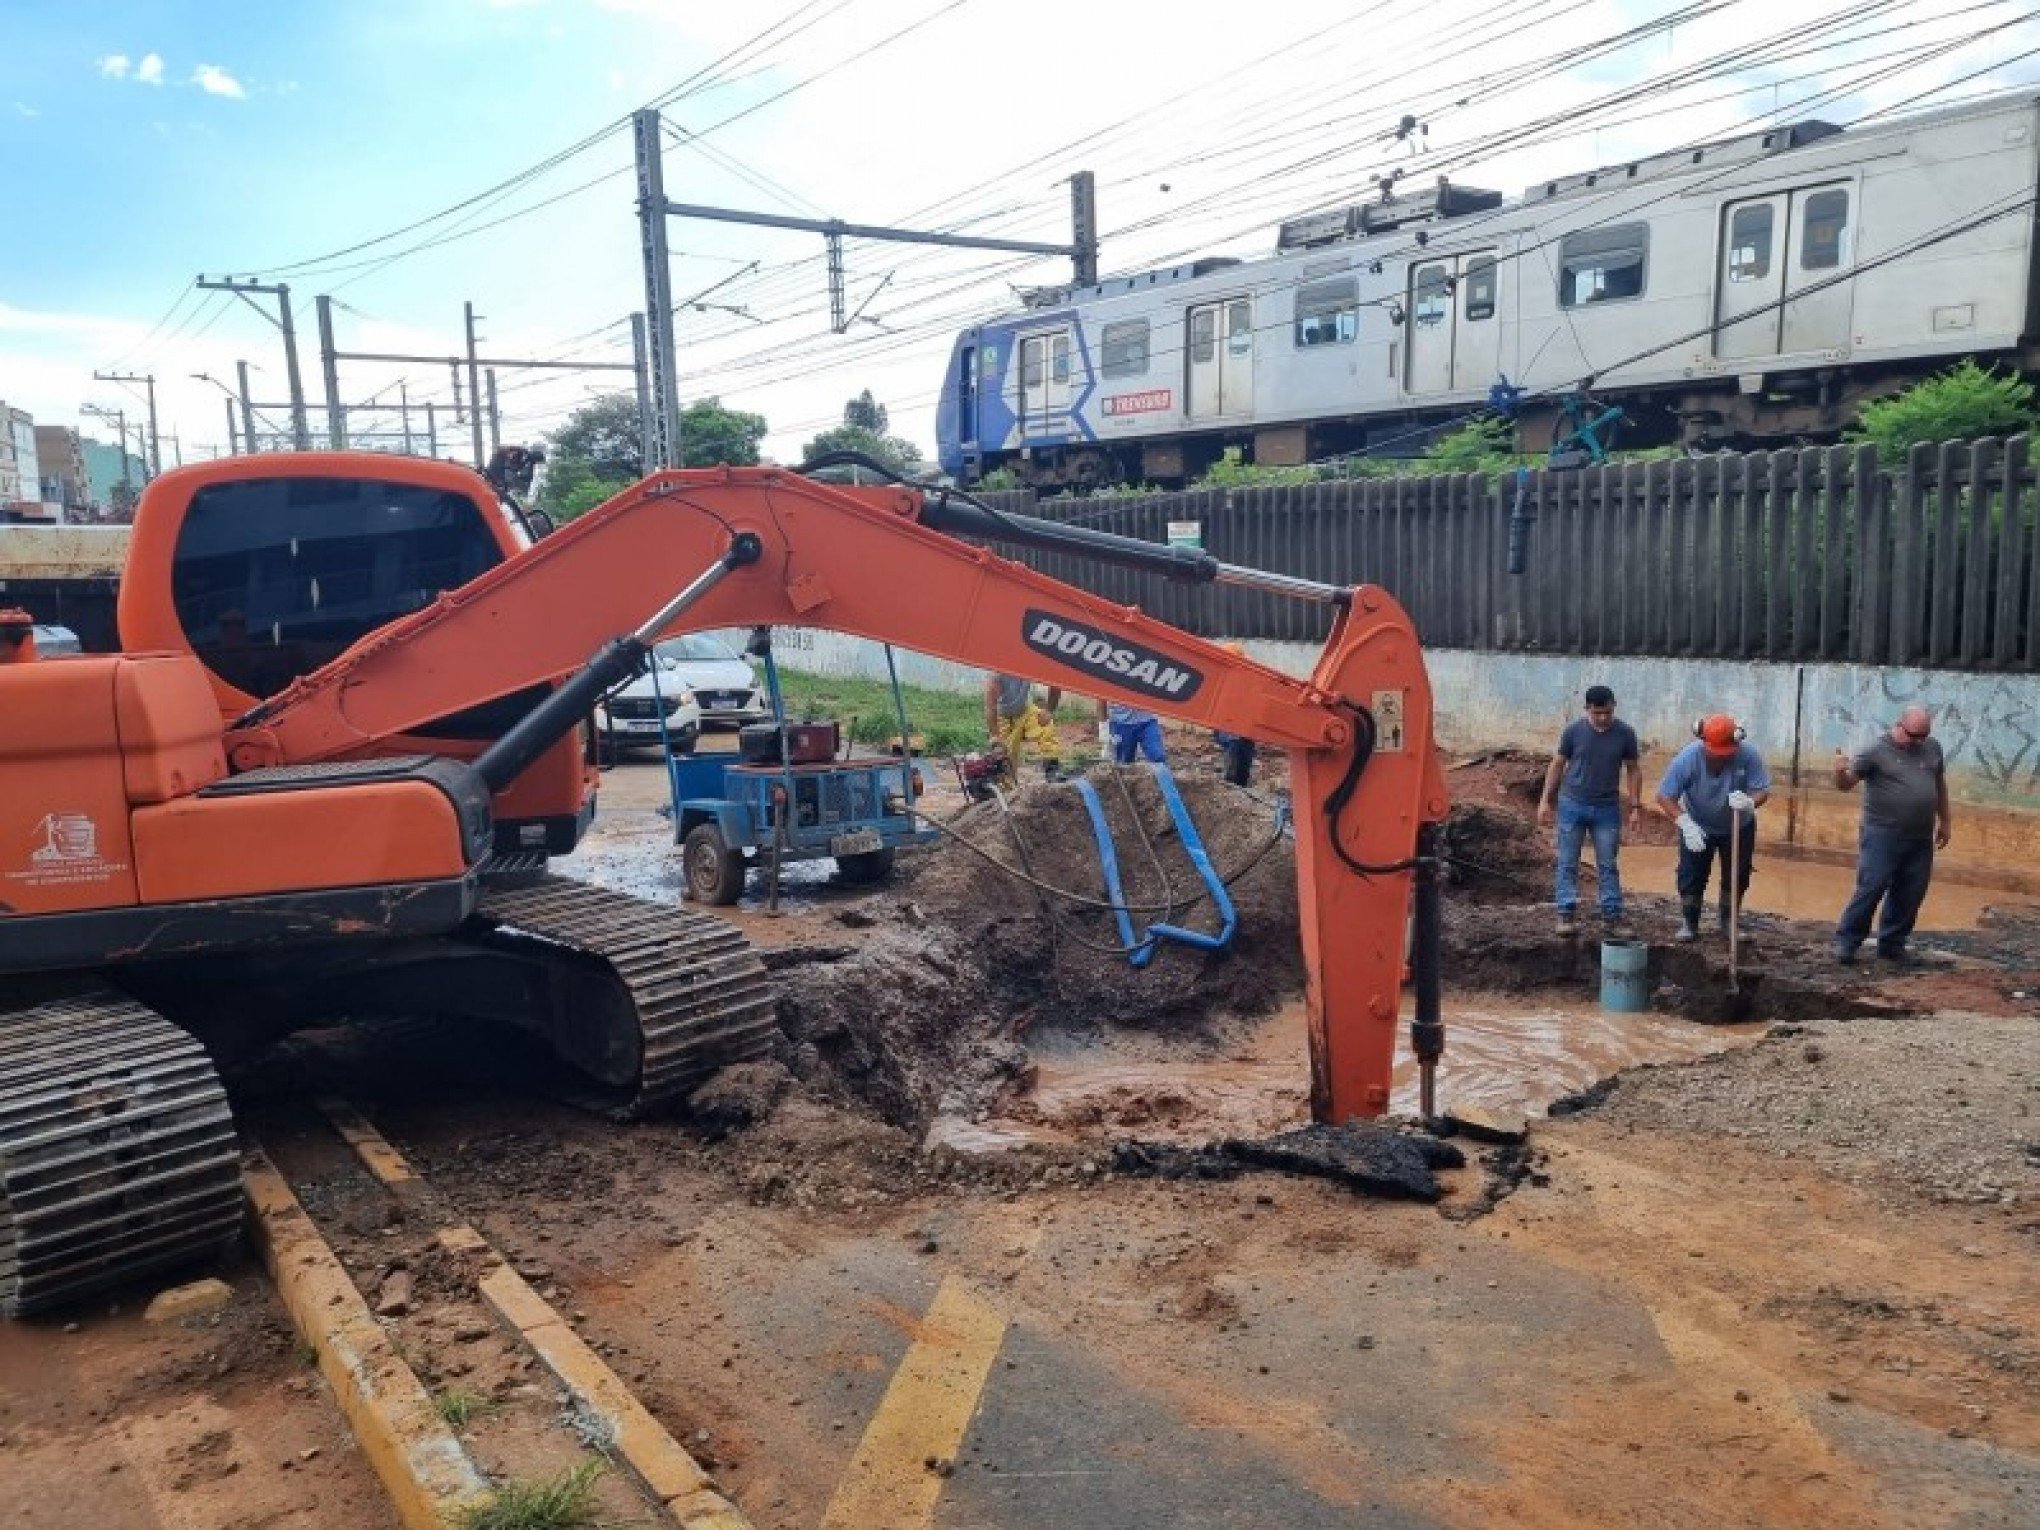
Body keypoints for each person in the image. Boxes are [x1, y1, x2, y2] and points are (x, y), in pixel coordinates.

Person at [1831, 705, 1952, 966]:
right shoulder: (1875, 751)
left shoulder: (1932, 748)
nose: (1919, 741)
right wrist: (1840, 771)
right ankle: (1847, 941)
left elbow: (1939, 784)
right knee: (1872, 886)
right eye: (1913, 735)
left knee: (1911, 891)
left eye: (1923, 735)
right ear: (1899, 725)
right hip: (1882, 833)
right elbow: (1846, 785)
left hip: (1919, 835)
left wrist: (1945, 820)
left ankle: (1892, 944)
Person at [1654, 713, 1772, 942]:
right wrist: (1684, 823)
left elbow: (1762, 789)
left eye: (1726, 753)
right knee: (1691, 874)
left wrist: (1750, 802)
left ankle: (1729, 921)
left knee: (1737, 874)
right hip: (1698, 824)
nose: (1720, 759)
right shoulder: (1686, 760)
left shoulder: (1748, 755)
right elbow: (1664, 796)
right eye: (1714, 753)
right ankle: (1690, 922)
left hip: (1739, 825)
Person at [1536, 685, 1642, 937]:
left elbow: (1633, 769)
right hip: (1572, 804)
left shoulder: (1625, 734)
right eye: (1597, 713)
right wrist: (1545, 800)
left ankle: (1612, 916)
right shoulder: (1573, 732)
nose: (1603, 718)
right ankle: (1566, 913)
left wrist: (1636, 806)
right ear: (1587, 710)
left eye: (1607, 712)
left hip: (1607, 808)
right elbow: (1558, 765)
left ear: (1614, 706)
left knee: (1607, 863)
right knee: (1567, 861)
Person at [983, 672, 1063, 785]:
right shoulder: (996, 674)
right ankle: (1007, 788)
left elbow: (1055, 678)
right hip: (1003, 716)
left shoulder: (1029, 662)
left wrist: (1049, 710)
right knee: (1005, 758)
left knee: (1046, 726)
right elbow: (990, 707)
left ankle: (1052, 770)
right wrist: (995, 736)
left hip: (1025, 710)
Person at [1212, 640, 1257, 787]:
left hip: (1244, 726)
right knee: (1234, 747)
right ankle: (1231, 784)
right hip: (1228, 725)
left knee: (1245, 754)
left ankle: (1241, 784)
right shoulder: (1220, 675)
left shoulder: (1248, 675)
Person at [1097, 697, 1166, 765]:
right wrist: (1103, 727)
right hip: (1121, 722)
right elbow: (1101, 696)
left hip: (1148, 720)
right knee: (1123, 762)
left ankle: (1163, 775)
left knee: (1158, 757)